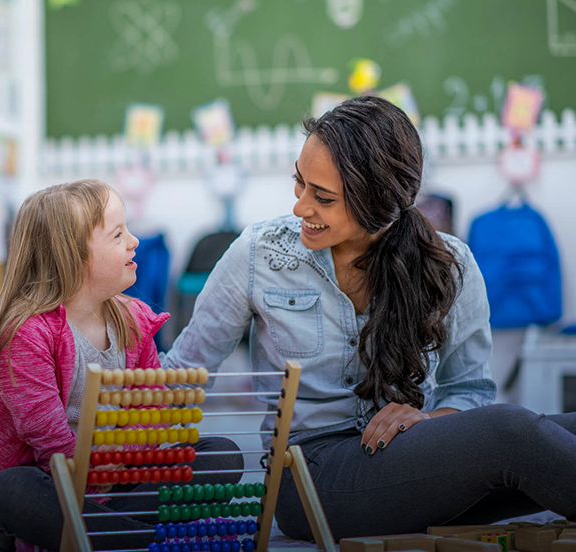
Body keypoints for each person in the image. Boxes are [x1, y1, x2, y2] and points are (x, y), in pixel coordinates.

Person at [161, 96, 576, 540]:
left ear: (378, 203)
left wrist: (428, 421)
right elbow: (185, 373)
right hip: (312, 479)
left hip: (414, 468)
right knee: (511, 431)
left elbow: (469, 389)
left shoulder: (449, 263)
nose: (301, 207)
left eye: (323, 197)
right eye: (299, 183)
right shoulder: (259, 254)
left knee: (556, 430)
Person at [0, 180, 243, 552]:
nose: (134, 241)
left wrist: (124, 459)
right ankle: (136, 538)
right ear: (71, 256)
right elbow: (50, 441)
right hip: (48, 484)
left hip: (116, 483)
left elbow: (150, 414)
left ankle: (102, 534)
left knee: (222, 456)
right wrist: (99, 474)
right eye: (118, 235)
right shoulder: (25, 333)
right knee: (8, 490)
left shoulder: (134, 320)